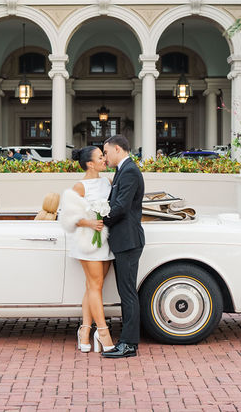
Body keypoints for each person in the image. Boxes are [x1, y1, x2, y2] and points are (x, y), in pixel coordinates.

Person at [58, 146, 116, 353]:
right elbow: (66, 217)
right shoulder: (80, 187)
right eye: (100, 157)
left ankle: (84, 330)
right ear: (90, 164)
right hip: (88, 242)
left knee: (94, 287)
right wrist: (90, 223)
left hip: (106, 240)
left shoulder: (108, 182)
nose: (104, 159)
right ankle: (103, 332)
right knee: (95, 285)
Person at [101, 134, 144, 358]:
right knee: (125, 292)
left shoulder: (129, 172)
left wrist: (99, 219)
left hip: (128, 241)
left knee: (127, 293)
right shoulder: (121, 171)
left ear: (118, 149)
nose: (105, 157)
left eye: (106, 152)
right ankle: (127, 341)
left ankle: (128, 344)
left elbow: (120, 207)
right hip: (123, 240)